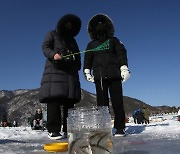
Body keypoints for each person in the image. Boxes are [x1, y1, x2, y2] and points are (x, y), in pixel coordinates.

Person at [83, 14, 130, 136]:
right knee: (101, 105)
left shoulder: (114, 41)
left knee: (117, 102)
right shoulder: (91, 45)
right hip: (99, 78)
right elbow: (87, 58)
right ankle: (103, 128)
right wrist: (87, 71)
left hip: (114, 75)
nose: (100, 27)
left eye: (102, 24)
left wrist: (124, 67)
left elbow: (121, 54)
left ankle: (120, 128)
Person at [39, 14, 81, 140]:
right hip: (55, 72)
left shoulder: (73, 41)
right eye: (67, 24)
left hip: (70, 75)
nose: (69, 27)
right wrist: (54, 55)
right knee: (54, 100)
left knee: (69, 103)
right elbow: (45, 47)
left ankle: (69, 130)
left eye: (71, 25)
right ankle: (53, 130)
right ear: (61, 24)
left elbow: (78, 57)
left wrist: (74, 60)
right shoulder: (51, 34)